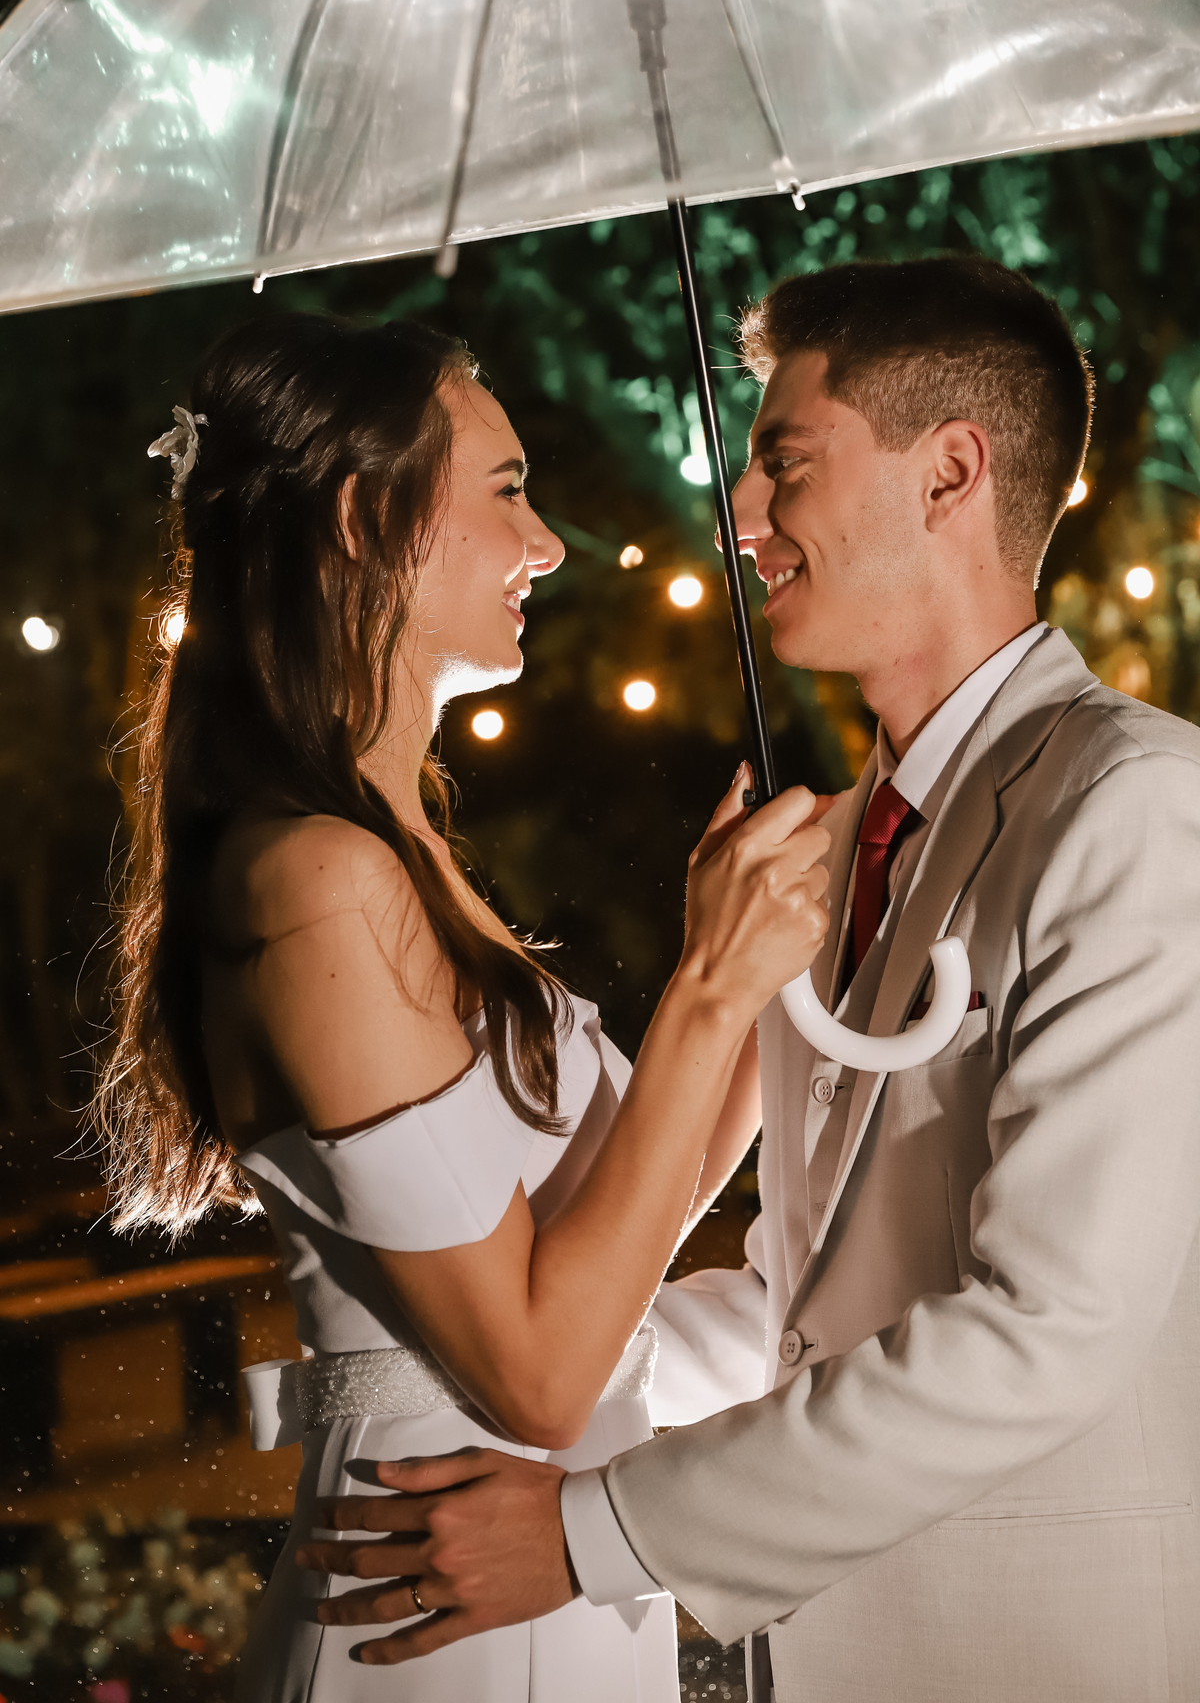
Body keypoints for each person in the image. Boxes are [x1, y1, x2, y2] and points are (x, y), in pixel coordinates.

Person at [294, 255, 1200, 1702]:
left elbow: (1053, 1324)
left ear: (950, 473)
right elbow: (812, 1296)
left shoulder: (1134, 802)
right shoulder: (833, 849)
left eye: (786, 464)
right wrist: (510, 1381)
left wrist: (587, 1537)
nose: (744, 515)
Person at [90, 311, 831, 1701]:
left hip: (532, 1573)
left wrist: (768, 962)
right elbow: (537, 1378)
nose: (545, 545)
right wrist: (706, 987)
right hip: (429, 1616)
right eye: (507, 492)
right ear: (366, 517)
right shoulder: (316, 879)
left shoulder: (400, 850)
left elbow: (621, 1224)